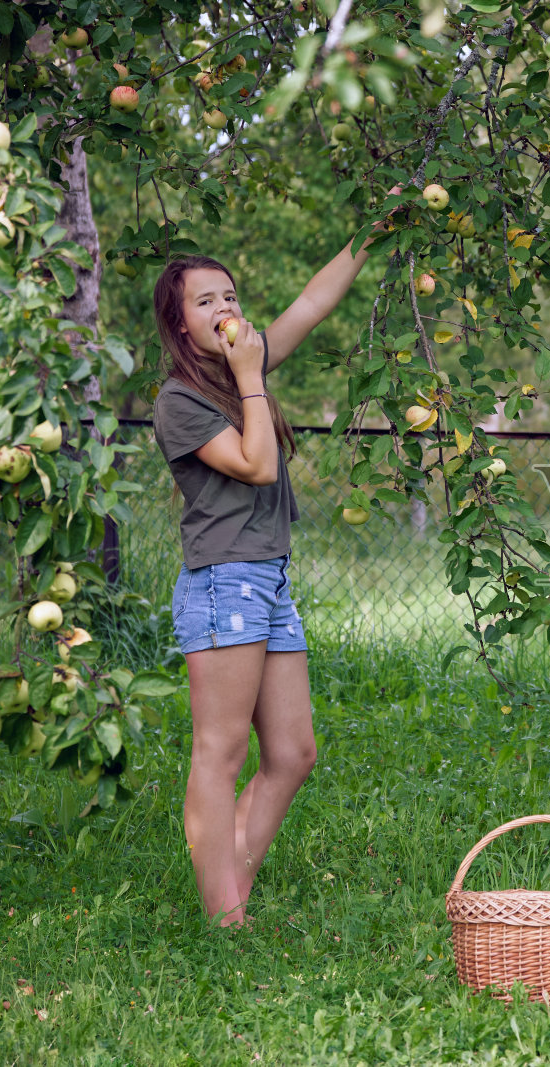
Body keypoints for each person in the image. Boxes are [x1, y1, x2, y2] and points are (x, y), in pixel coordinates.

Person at [150, 219, 391, 926]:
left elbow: (312, 305)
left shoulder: (237, 377)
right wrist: (252, 374)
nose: (225, 309)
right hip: (224, 581)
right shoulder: (182, 400)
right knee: (220, 752)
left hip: (268, 579)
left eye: (230, 296)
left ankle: (227, 886)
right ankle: (225, 914)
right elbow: (255, 464)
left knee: (292, 751)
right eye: (205, 302)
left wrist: (369, 236)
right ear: (180, 325)